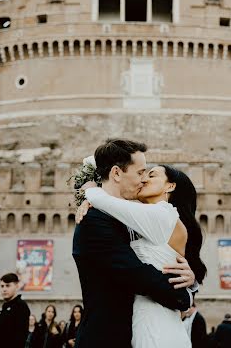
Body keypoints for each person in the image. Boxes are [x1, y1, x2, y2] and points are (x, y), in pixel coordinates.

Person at [72, 138, 199, 348]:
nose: (143, 180)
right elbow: (136, 273)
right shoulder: (95, 221)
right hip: (106, 338)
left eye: (149, 174)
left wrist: (90, 191)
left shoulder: (149, 216)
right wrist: (184, 297)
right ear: (116, 173)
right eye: (141, 172)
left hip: (147, 327)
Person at [0, 272, 30, 348]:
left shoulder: (21, 306)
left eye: (8, 286)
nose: (4, 289)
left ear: (17, 286)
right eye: (2, 286)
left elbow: (20, 337)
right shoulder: (5, 306)